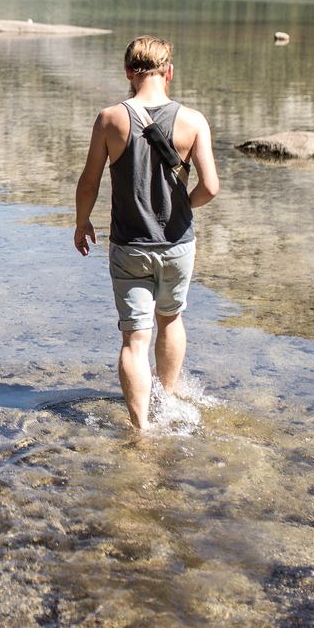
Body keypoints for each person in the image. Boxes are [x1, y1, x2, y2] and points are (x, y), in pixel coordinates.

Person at [73, 35, 219, 430]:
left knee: (134, 339)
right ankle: (166, 403)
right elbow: (211, 186)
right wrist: (185, 205)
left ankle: (141, 429)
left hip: (129, 246)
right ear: (169, 72)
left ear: (127, 72)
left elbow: (89, 181)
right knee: (170, 320)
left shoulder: (109, 119)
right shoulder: (193, 121)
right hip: (177, 245)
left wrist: (82, 221)